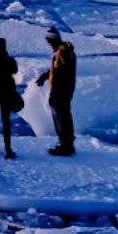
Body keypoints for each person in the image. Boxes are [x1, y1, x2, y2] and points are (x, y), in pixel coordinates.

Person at [35, 26, 77, 156]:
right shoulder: (61, 51)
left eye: (47, 40)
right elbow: (57, 69)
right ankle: (66, 143)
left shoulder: (62, 52)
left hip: (60, 91)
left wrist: (58, 90)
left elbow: (63, 71)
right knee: (63, 116)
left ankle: (65, 145)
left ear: (50, 40)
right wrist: (46, 76)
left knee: (61, 117)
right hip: (63, 90)